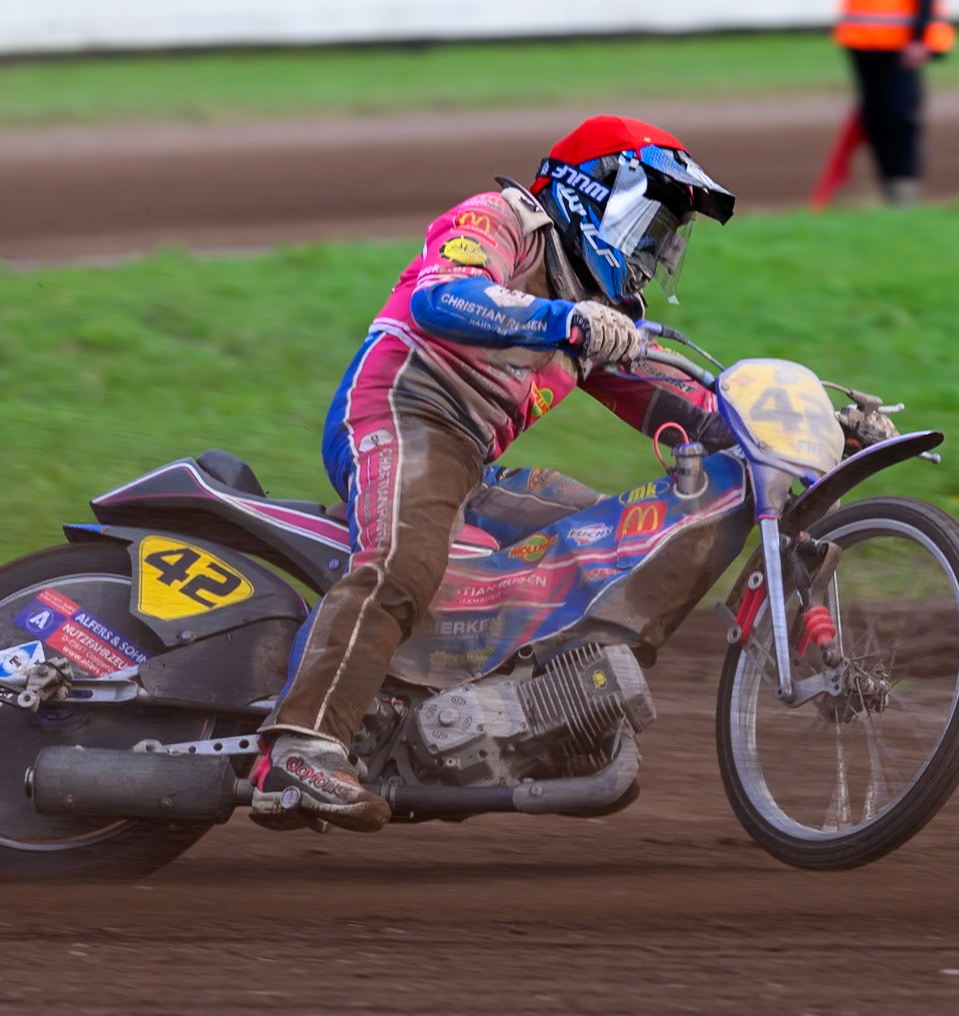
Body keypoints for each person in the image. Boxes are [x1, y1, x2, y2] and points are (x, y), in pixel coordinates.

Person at [254, 115, 738, 832]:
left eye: (667, 237)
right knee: (404, 559)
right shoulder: (503, 219)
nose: (656, 251)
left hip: (471, 458)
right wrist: (565, 321)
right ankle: (299, 746)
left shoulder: (598, 311)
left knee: (601, 542)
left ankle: (506, 719)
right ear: (595, 193)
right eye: (652, 225)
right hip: (400, 411)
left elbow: (684, 406)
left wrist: (804, 429)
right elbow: (441, 297)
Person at [835, 0, 957, 206]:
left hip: (901, 44)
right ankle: (890, 188)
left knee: (899, 117)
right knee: (875, 119)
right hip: (861, 40)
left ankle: (903, 190)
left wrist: (919, 40)